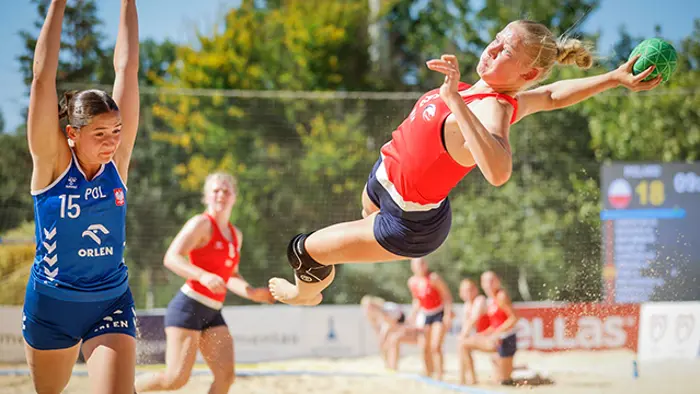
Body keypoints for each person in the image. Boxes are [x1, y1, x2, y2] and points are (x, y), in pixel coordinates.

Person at [268, 19, 662, 306]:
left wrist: (455, 100)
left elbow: (499, 171)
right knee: (358, 216)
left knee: (303, 252)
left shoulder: (493, 107)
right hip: (386, 185)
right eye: (496, 39)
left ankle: (307, 293)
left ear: (529, 71)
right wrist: (613, 78)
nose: (491, 48)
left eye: (505, 50)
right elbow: (554, 96)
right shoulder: (485, 91)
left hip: (408, 224)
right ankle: (339, 253)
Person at [21, 0, 140, 393]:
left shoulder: (117, 162)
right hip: (52, 304)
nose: (112, 142)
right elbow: (41, 79)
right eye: (100, 134)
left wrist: (128, 3)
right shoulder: (53, 162)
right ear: (72, 134)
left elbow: (127, 69)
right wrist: (58, 4)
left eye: (117, 130)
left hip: (110, 300)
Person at [135, 172, 274, 394]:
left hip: (212, 311)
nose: (221, 195)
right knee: (176, 379)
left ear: (234, 197)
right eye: (215, 190)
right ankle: (124, 389)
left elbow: (231, 275)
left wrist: (252, 293)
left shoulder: (235, 234)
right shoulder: (201, 224)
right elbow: (171, 258)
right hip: (189, 307)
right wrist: (203, 276)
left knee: (226, 377)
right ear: (206, 197)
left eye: (226, 190)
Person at [460, 271, 518, 385]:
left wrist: (496, 333)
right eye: (486, 281)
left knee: (504, 381)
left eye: (491, 280)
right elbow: (495, 325)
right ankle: (470, 380)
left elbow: (514, 318)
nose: (489, 284)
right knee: (463, 344)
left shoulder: (501, 296)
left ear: (498, 282)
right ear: (482, 284)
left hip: (506, 340)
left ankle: (471, 379)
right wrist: (484, 334)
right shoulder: (491, 300)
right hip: (497, 340)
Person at [405, 258, 453, 380]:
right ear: (413, 267)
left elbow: (446, 296)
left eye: (422, 263)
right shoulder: (412, 282)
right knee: (423, 346)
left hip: (439, 312)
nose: (420, 266)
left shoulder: (433, 278)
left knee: (435, 346)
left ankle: (440, 374)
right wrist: (413, 314)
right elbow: (417, 300)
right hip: (425, 314)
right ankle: (428, 373)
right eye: (417, 264)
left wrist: (447, 315)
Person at [360, 295, 419, 370]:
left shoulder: (385, 309)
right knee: (383, 343)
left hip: (398, 321)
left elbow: (392, 323)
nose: (368, 308)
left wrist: (384, 336)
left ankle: (392, 366)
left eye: (369, 306)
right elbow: (377, 328)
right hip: (392, 322)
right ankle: (388, 364)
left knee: (390, 341)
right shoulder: (370, 313)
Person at [457, 279, 491, 385]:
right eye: (465, 291)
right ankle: (464, 378)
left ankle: (468, 379)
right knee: (462, 344)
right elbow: (467, 325)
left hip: (490, 335)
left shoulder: (480, 300)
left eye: (470, 289)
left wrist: (463, 335)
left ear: (476, 290)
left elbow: (473, 319)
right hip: (482, 336)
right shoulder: (467, 305)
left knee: (462, 343)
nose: (469, 293)